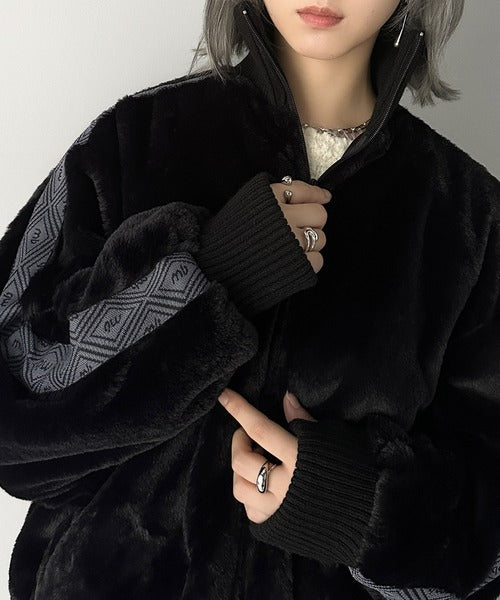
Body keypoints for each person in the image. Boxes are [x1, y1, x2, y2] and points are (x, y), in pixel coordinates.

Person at [0, 0, 499, 598]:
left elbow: (487, 543)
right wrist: (212, 280)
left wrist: (352, 509)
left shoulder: (470, 218)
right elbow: (12, 418)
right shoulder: (131, 143)